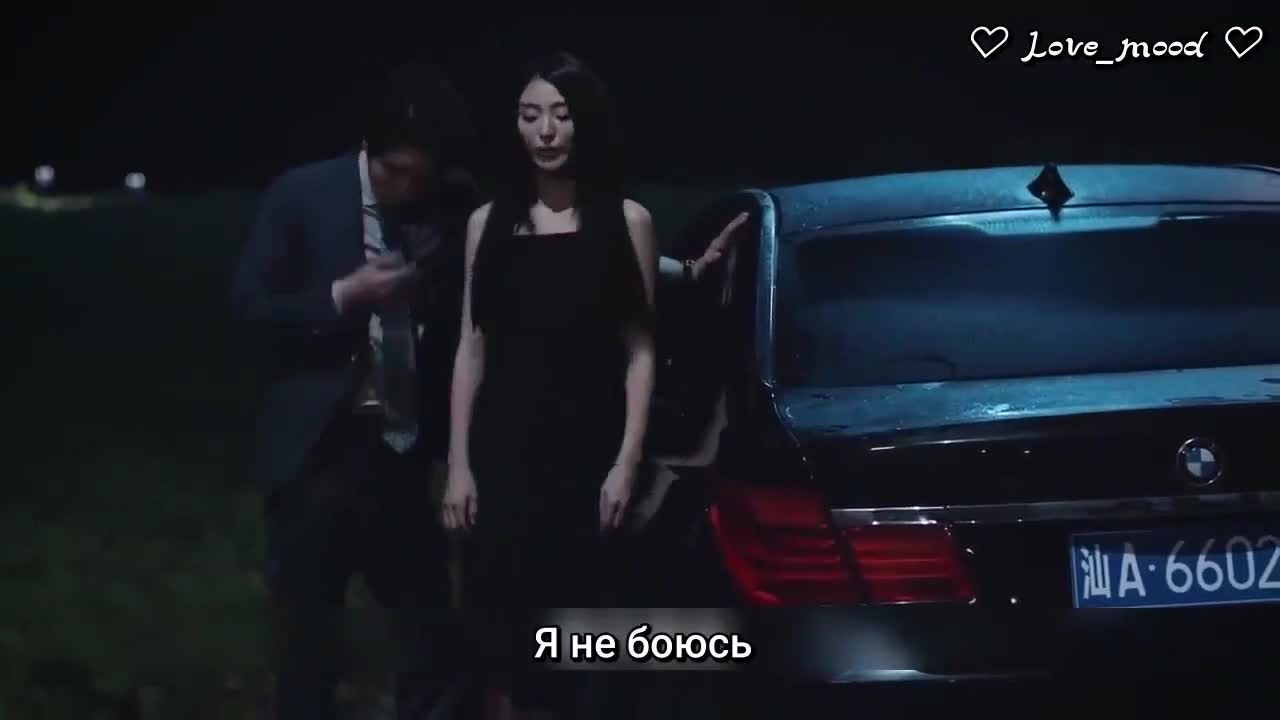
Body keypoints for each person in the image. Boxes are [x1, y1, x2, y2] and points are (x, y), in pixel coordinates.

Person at [228, 63, 480, 720]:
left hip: (400, 454)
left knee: (434, 641)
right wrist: (345, 296)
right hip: (316, 456)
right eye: (398, 174)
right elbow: (250, 307)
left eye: (423, 178)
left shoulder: (449, 209)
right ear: (372, 149)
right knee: (308, 647)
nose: (408, 189)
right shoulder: (302, 194)